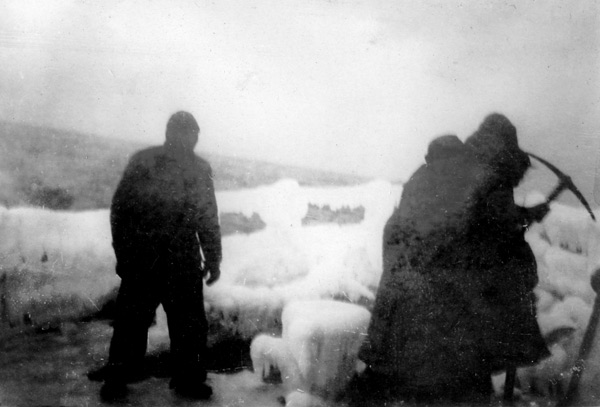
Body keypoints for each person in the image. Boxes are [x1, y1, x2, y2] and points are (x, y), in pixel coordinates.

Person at [353, 114, 550, 404]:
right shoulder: (488, 174)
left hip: (403, 284)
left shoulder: (425, 172)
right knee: (458, 377)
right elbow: (501, 228)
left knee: (400, 369)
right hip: (450, 301)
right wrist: (529, 216)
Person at [99, 111, 222, 401]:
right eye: (191, 133)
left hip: (160, 261)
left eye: (194, 134)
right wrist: (123, 254)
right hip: (162, 261)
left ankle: (127, 380)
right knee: (144, 324)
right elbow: (121, 211)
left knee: (170, 325)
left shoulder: (150, 160)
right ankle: (131, 379)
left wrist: (213, 258)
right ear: (177, 134)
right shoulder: (174, 165)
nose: (192, 139)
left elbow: (120, 212)